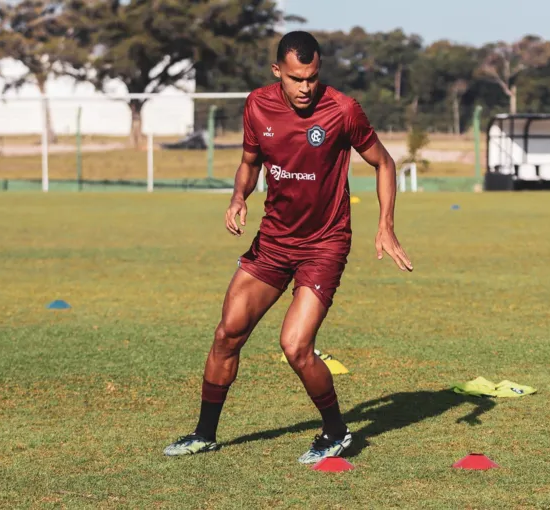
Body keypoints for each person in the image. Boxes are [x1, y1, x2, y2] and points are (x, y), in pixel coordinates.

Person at [163, 31, 413, 464]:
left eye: (313, 77)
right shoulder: (257, 105)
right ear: (278, 71)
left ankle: (336, 432)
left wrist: (386, 225)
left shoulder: (342, 109)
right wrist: (238, 196)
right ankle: (204, 434)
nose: (305, 88)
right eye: (297, 78)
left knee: (295, 346)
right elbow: (249, 162)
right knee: (227, 334)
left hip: (324, 245)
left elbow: (384, 162)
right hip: (273, 242)